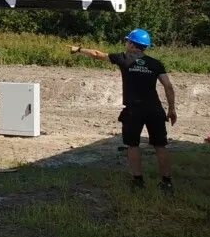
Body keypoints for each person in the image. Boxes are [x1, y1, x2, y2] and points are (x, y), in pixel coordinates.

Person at [71, 29, 177, 192]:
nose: (126, 44)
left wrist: (78, 49)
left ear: (133, 45)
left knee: (132, 145)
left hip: (134, 110)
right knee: (160, 145)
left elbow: (97, 54)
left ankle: (138, 181)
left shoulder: (123, 58)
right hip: (155, 109)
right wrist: (171, 109)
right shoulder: (156, 63)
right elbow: (168, 87)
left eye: (128, 41)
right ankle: (167, 182)